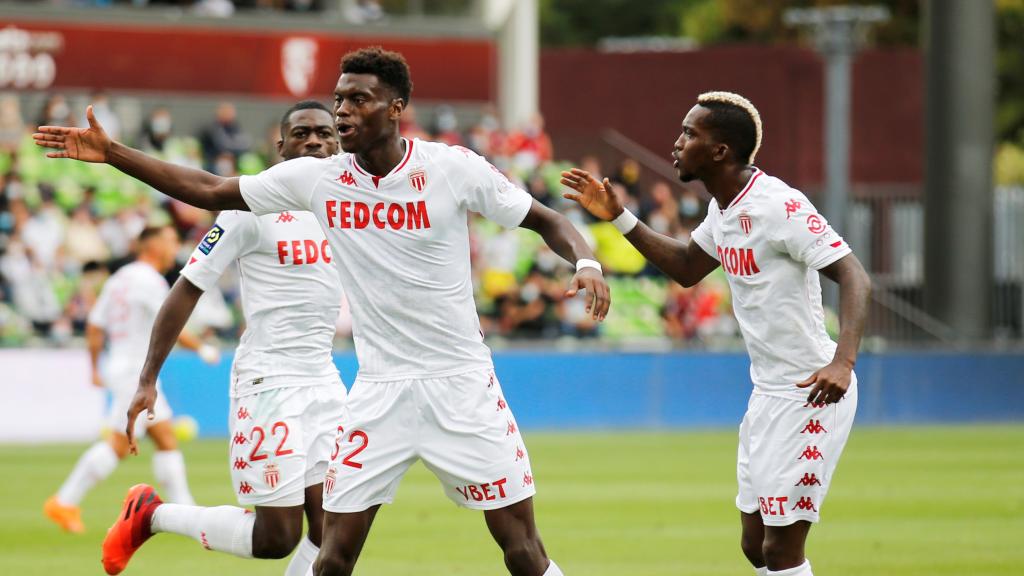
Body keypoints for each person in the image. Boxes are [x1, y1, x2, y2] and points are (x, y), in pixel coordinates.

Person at [34, 46, 610, 576]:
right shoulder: (317, 182)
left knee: (522, 551)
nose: (341, 112)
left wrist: (587, 263)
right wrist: (112, 154)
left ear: (396, 107)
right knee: (326, 554)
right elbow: (208, 189)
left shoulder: (451, 168)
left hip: (459, 383)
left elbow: (548, 219)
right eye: (338, 99)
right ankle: (154, 515)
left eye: (356, 99)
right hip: (372, 391)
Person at [560, 91, 871, 576]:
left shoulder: (779, 205)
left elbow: (855, 276)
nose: (677, 143)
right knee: (754, 544)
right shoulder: (723, 208)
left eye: (690, 133)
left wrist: (843, 363)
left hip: (813, 391)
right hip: (768, 393)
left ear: (721, 151)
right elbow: (687, 267)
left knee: (781, 552)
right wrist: (620, 217)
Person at [98, 101, 346, 576]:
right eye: (302, 134)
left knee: (331, 530)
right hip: (269, 383)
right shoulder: (251, 207)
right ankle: (151, 515)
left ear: (338, 143)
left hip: (325, 383)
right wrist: (148, 377)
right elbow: (187, 287)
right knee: (276, 537)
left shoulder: (341, 207)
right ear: (281, 147)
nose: (314, 141)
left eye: (324, 133)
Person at [43, 225, 220, 534]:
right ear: (151, 246)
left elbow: (95, 326)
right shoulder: (149, 280)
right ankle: (64, 501)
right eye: (170, 240)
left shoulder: (119, 279)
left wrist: (95, 367)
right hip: (136, 374)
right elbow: (170, 322)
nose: (174, 247)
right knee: (119, 444)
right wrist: (203, 348)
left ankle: (186, 511)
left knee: (165, 436)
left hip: (125, 367)